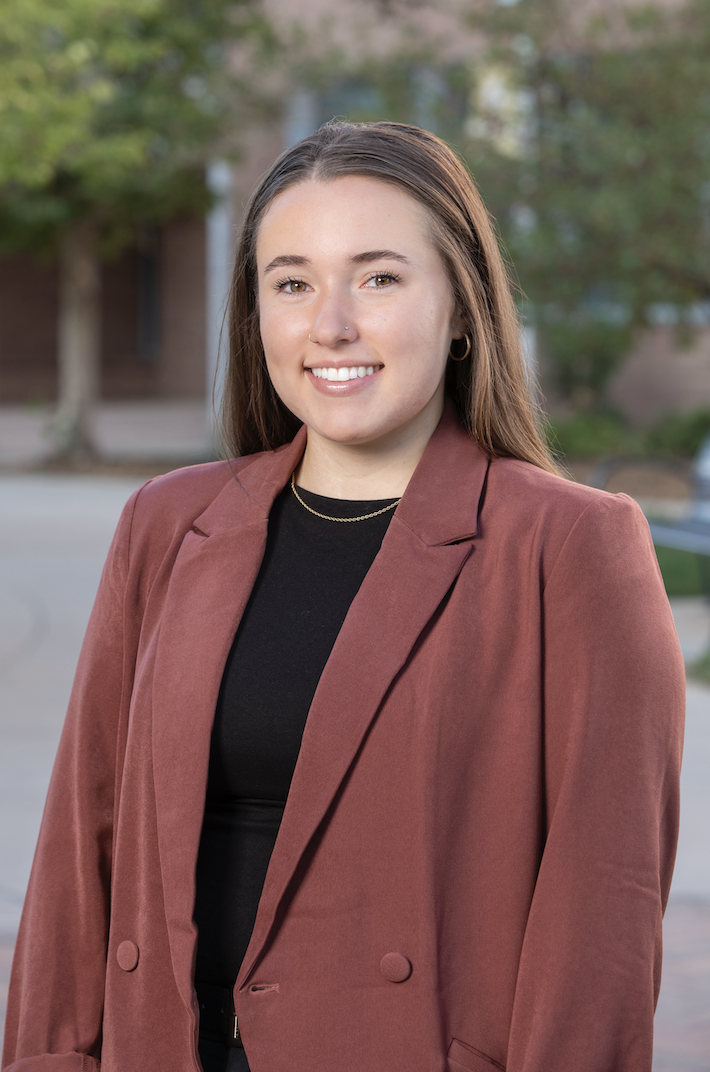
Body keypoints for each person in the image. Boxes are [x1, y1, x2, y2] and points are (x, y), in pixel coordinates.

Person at [3, 121, 684, 1072]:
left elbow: (602, 915)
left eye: (378, 278)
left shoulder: (569, 547)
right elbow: (82, 844)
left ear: (461, 309)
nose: (331, 324)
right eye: (292, 283)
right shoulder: (167, 525)